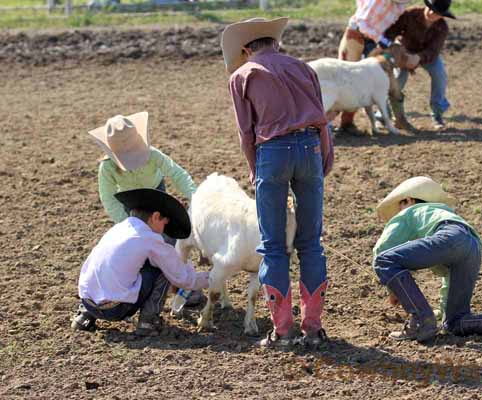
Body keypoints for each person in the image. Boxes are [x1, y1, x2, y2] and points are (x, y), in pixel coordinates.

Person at [221, 17, 334, 347]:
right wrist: (324, 156)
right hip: (311, 147)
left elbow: (246, 133)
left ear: (246, 49)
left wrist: (255, 170)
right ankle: (313, 327)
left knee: (273, 246)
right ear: (276, 43)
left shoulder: (241, 76)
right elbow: (322, 119)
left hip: (272, 152)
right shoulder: (304, 68)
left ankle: (283, 331)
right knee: (311, 241)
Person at [372, 176, 482, 343]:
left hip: (449, 236)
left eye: (399, 206)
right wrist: (442, 312)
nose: (399, 211)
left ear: (408, 200)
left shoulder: (409, 211)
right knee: (454, 321)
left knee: (385, 260)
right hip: (473, 246)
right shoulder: (444, 212)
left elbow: (382, 250)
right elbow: (449, 277)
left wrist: (393, 288)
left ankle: (421, 321)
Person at [88, 111, 205, 306]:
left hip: (157, 197)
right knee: (136, 247)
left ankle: (183, 287)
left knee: (170, 242)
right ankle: (144, 289)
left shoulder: (153, 155)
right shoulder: (107, 168)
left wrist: (198, 198)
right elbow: (108, 197)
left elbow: (178, 175)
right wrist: (127, 224)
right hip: (131, 205)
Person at [71, 188, 210, 336]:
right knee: (162, 268)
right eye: (165, 223)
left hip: (88, 300)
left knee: (115, 264)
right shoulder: (150, 238)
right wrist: (215, 276)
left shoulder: (119, 228)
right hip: (115, 309)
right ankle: (148, 321)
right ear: (156, 217)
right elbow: (183, 279)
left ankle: (85, 316)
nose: (164, 229)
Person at [337, 0, 411, 134]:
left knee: (368, 78)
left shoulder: (401, 3)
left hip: (374, 38)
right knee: (345, 75)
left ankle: (347, 123)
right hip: (357, 34)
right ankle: (329, 122)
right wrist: (387, 43)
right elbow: (362, 23)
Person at [382, 0, 455, 131]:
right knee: (398, 79)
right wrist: (396, 50)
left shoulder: (442, 27)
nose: (432, 13)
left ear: (442, 15)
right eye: (431, 8)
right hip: (404, 50)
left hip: (426, 55)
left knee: (440, 75)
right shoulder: (409, 14)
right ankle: (383, 114)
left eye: (437, 12)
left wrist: (418, 58)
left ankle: (437, 114)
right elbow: (391, 31)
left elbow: (433, 51)